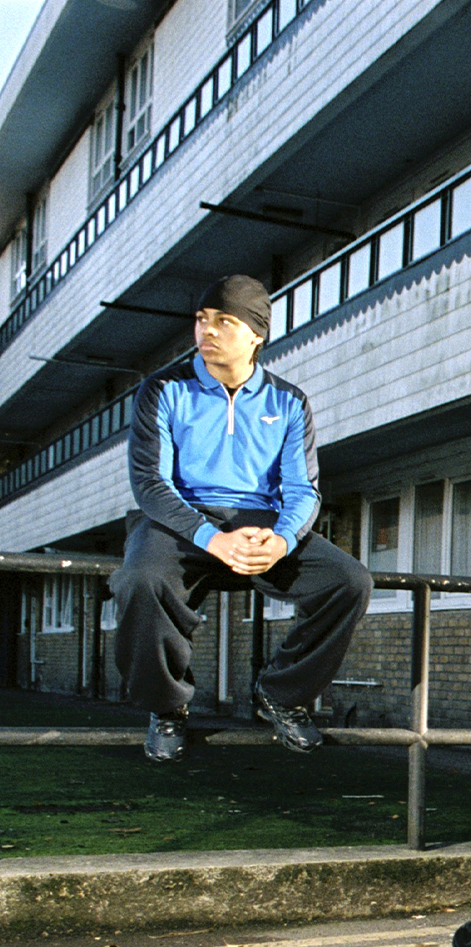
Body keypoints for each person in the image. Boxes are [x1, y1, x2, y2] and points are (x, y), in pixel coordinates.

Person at [110, 274, 372, 761]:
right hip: (180, 519)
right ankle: (166, 708)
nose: (206, 331)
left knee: (350, 580)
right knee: (140, 579)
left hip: (261, 521)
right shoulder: (163, 389)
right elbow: (149, 484)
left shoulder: (288, 401)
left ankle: (283, 694)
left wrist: (284, 539)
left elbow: (302, 488)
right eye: (201, 321)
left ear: (256, 334)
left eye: (223, 322)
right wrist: (211, 537)